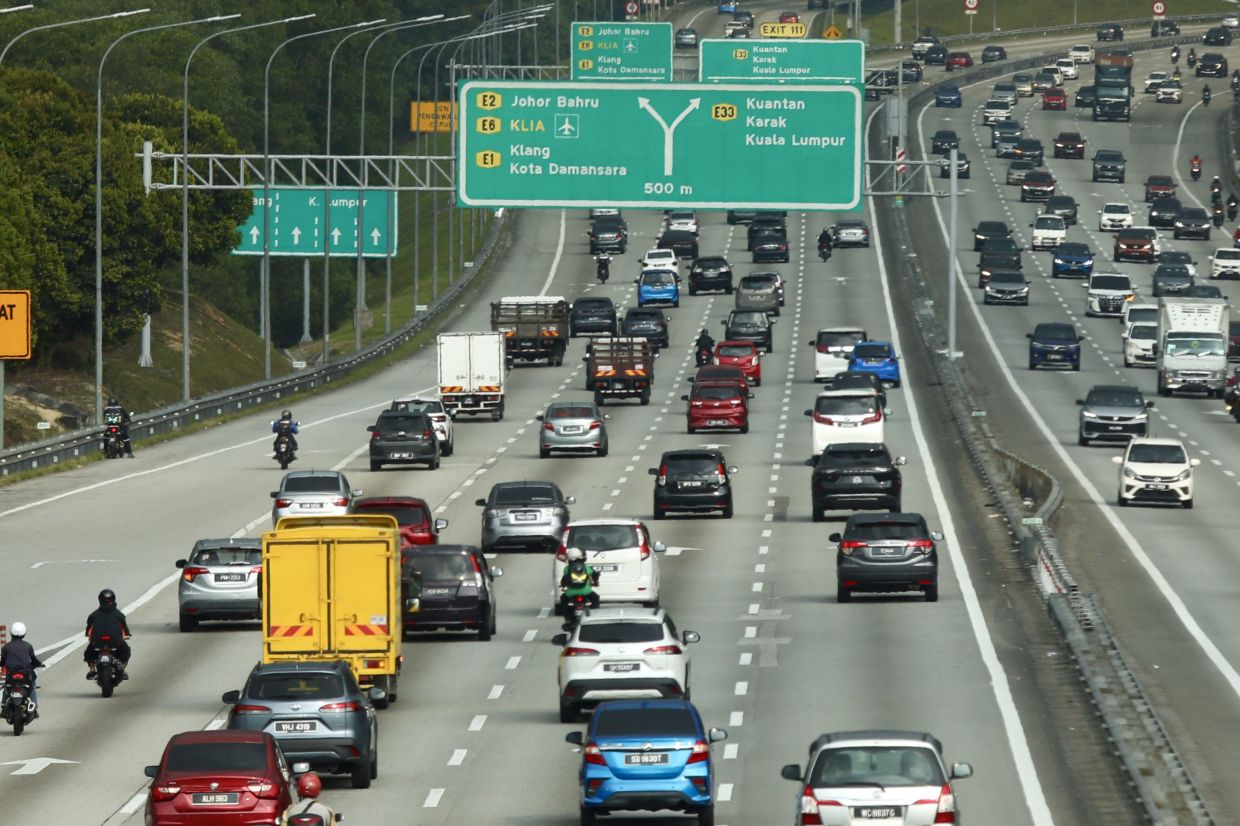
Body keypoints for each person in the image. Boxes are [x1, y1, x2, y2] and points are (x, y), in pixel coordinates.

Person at [84, 589, 131, 680]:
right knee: (126, 651)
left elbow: (89, 627)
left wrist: (87, 634)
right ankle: (122, 668)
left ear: (100, 600)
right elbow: (124, 627)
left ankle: (92, 668)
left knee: (89, 652)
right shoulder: (119, 614)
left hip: (98, 641)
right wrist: (127, 633)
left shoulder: (94, 615)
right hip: (115, 640)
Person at [0, 622, 44, 714]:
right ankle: (34, 704)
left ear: (11, 633)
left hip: (11, 673)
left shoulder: (6, 647)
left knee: (7, 686)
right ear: (24, 633)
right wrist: (40, 664)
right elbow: (33, 659)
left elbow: (2, 661)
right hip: (25, 673)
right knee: (32, 685)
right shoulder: (28, 646)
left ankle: (4, 704)